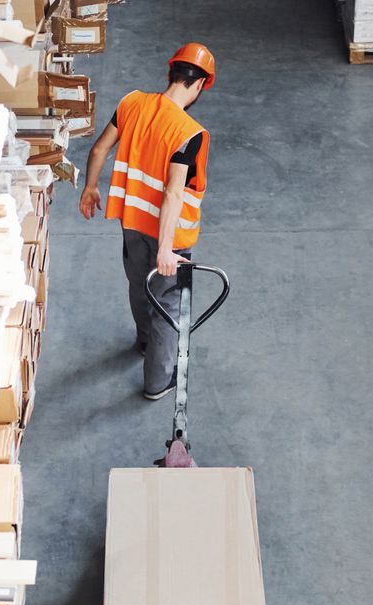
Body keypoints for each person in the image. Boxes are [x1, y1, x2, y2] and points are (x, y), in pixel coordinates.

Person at [79, 43, 215, 400]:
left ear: (172, 73)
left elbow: (98, 149)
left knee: (139, 284)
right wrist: (168, 249)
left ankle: (143, 343)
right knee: (167, 304)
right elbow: (173, 193)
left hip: (130, 223)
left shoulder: (132, 103)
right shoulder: (188, 133)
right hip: (168, 234)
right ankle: (157, 381)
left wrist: (91, 188)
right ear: (199, 84)